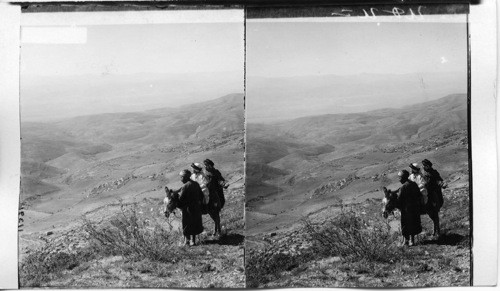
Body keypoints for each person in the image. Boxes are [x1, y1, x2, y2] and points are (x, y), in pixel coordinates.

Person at [176, 169, 204, 246]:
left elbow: (181, 199)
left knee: (187, 224)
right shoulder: (196, 184)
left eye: (181, 177)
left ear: (185, 177)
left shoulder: (185, 186)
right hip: (196, 208)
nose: (180, 179)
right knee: (195, 223)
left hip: (187, 209)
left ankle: (186, 241)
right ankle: (193, 241)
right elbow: (201, 195)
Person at [421, 159, 447, 237]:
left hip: (433, 194)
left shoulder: (434, 173)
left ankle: (437, 231)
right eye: (423, 165)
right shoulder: (423, 173)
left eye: (425, 165)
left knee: (434, 213)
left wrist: (442, 184)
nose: (424, 167)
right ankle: (434, 231)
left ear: (428, 166)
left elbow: (439, 180)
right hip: (425, 192)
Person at [397, 170, 422, 246]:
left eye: (399, 178)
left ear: (404, 178)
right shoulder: (414, 184)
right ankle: (412, 240)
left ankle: (406, 241)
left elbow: (399, 199)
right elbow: (419, 195)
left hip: (406, 210)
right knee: (414, 223)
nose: (399, 179)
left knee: (405, 225)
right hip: (415, 209)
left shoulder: (403, 187)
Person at [203, 158, 227, 236]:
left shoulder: (216, 172)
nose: (206, 167)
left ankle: (218, 230)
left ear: (210, 165)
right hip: (208, 192)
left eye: (207, 165)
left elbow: (221, 180)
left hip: (216, 193)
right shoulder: (205, 172)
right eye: (205, 165)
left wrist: (223, 184)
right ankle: (216, 229)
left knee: (215, 211)